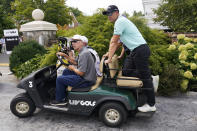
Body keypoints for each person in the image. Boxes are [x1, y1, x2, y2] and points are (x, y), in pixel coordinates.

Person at [102, 5, 156, 112]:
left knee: (145, 77)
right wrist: (111, 54)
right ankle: (149, 77)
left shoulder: (120, 22)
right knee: (127, 72)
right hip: (136, 51)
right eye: (107, 14)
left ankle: (151, 104)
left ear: (117, 12)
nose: (109, 16)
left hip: (140, 50)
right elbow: (118, 43)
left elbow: (113, 41)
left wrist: (109, 59)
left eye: (110, 14)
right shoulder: (121, 21)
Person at [50, 35, 97, 106]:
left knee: (59, 79)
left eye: (75, 41)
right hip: (87, 76)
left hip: (86, 81)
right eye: (72, 42)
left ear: (82, 42)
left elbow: (81, 73)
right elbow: (75, 62)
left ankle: (60, 100)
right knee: (66, 71)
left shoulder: (84, 54)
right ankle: (63, 92)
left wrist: (73, 68)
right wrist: (65, 56)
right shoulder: (83, 51)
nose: (72, 43)